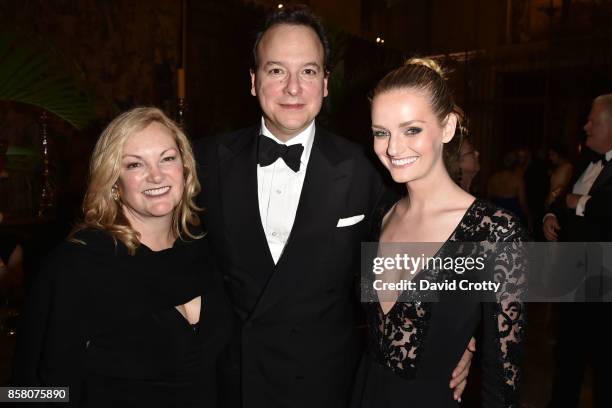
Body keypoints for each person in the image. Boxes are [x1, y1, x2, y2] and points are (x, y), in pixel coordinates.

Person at [195, 6, 473, 408]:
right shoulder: (203, 162)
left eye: (308, 71)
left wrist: (463, 325)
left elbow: (420, 248)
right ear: (253, 81)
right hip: (230, 383)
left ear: (326, 83)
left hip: (326, 385)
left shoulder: (370, 168)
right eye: (276, 71)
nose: (293, 87)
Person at [12, 107, 233, 407]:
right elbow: (29, 390)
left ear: (185, 168)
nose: (156, 175)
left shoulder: (207, 249)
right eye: (134, 165)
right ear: (113, 180)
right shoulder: (79, 264)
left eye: (167, 158)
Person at [351, 58, 527, 407]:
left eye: (411, 129)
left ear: (447, 127)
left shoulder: (494, 233)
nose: (393, 148)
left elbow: (503, 379)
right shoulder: (380, 215)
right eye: (381, 132)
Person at [544, 95, 612, 408]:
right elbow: (561, 198)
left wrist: (577, 203)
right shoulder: (586, 160)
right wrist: (551, 215)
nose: (585, 126)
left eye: (593, 121)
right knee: (567, 359)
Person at [487, 151, 531, 227]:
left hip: (497, 212)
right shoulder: (518, 180)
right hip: (513, 214)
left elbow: (488, 198)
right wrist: (529, 217)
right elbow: (522, 203)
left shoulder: (493, 178)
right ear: (515, 164)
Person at [544, 144, 573, 209]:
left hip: (557, 205)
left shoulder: (567, 167)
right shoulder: (558, 167)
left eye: (553, 155)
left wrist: (551, 201)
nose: (550, 157)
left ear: (560, 154)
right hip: (551, 204)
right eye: (549, 155)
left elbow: (561, 188)